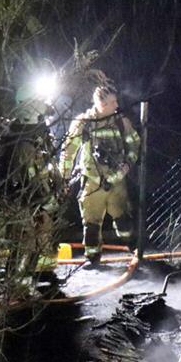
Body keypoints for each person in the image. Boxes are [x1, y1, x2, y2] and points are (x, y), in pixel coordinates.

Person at [59, 83, 140, 266]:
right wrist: (63, 177)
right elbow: (68, 151)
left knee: (124, 221)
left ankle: (134, 248)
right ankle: (93, 258)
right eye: (112, 102)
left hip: (117, 182)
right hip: (92, 182)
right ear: (101, 104)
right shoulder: (83, 123)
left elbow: (134, 143)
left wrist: (128, 163)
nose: (116, 105)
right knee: (91, 225)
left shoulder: (121, 122)